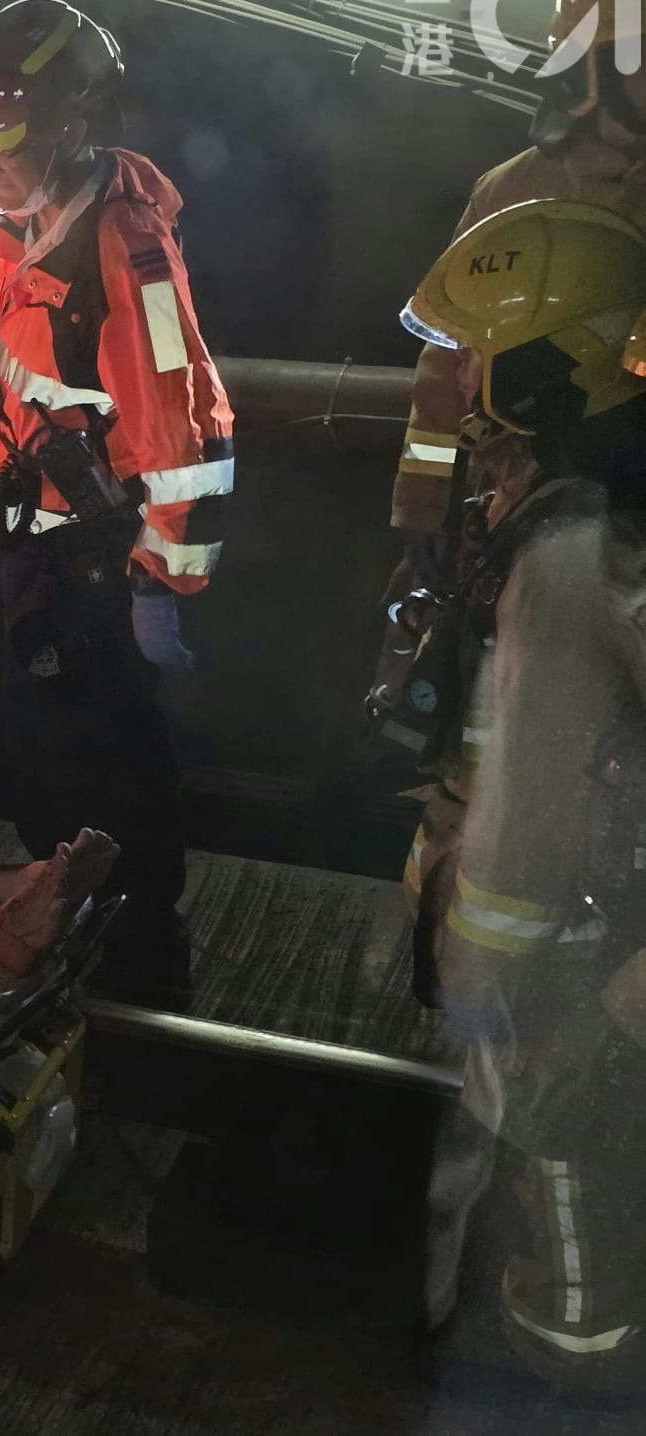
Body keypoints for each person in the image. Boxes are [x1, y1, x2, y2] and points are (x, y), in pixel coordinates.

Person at [0, 0, 234, 1006]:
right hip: (33, 548)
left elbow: (179, 418)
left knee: (114, 769)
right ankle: (64, 947)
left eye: (1, 124)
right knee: (46, 760)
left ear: (70, 119)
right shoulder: (23, 234)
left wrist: (160, 582)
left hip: (96, 561)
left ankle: (142, 981)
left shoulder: (119, 240)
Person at [399, 198, 646, 1400]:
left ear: (541, 373)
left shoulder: (568, 554)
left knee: (563, 1157)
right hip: (603, 930)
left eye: (474, 355)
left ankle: (565, 1370)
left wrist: (477, 961)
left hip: (583, 948)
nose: (453, 379)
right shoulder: (586, 508)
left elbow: (535, 796)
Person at [389, 0, 646, 556]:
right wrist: (424, 511)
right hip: (526, 507)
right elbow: (444, 370)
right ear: (595, 65)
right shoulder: (512, 192)